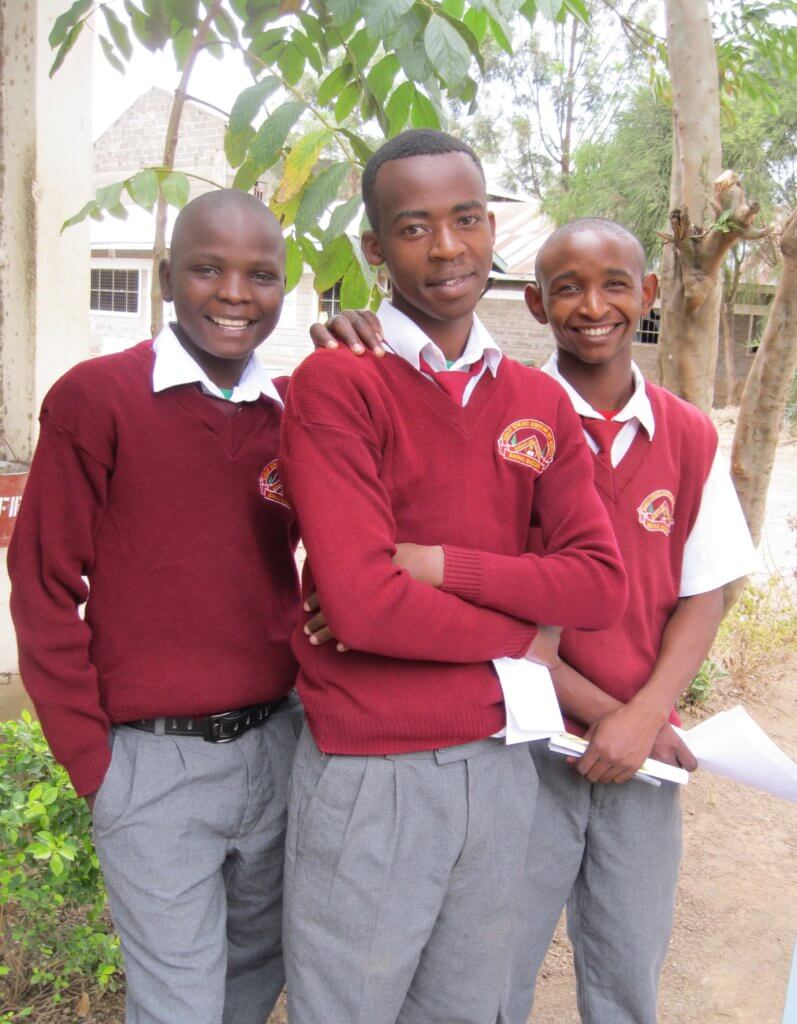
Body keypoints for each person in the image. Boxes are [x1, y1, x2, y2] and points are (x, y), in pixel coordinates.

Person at [279, 129, 627, 1024]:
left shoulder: (537, 400)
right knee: (350, 1008)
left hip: (503, 758)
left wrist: (446, 568)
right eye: (413, 226)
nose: (446, 248)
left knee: (472, 1010)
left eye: (467, 219)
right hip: (374, 770)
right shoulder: (338, 384)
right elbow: (360, 606)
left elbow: (595, 585)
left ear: (491, 227)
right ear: (373, 248)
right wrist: (522, 635)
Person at [11, 189, 314, 1024]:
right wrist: (92, 761)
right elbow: (42, 585)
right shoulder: (97, 399)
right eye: (207, 268)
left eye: (261, 275)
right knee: (177, 1000)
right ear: (166, 276)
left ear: (283, 288)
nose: (233, 293)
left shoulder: (297, 413)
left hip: (279, 744)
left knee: (256, 973)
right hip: (151, 764)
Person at [494, 218, 756, 1024]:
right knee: (493, 962)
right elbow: (493, 607)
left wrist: (642, 717)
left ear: (647, 295)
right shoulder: (502, 425)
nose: (592, 304)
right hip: (522, 749)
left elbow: (702, 590)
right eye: (566, 287)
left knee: (626, 963)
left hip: (645, 757)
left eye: (615, 283)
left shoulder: (686, 432)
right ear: (536, 305)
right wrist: (613, 716)